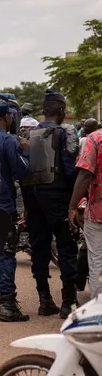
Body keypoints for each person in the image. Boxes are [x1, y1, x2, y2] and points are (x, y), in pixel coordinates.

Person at [21, 90, 80, 318]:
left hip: (33, 198)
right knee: (66, 247)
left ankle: (44, 300)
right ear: (62, 111)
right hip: (58, 198)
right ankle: (68, 303)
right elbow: (70, 169)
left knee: (39, 249)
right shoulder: (67, 132)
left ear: (44, 111)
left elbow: (23, 171)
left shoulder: (28, 133)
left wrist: (27, 203)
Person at [0, 100, 31, 322]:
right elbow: (20, 170)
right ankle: (8, 305)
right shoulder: (9, 140)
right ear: (7, 118)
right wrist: (26, 152)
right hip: (3, 204)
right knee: (5, 253)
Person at [71, 123, 102, 298]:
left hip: (98, 212)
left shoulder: (95, 139)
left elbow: (84, 175)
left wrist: (72, 206)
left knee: (97, 259)